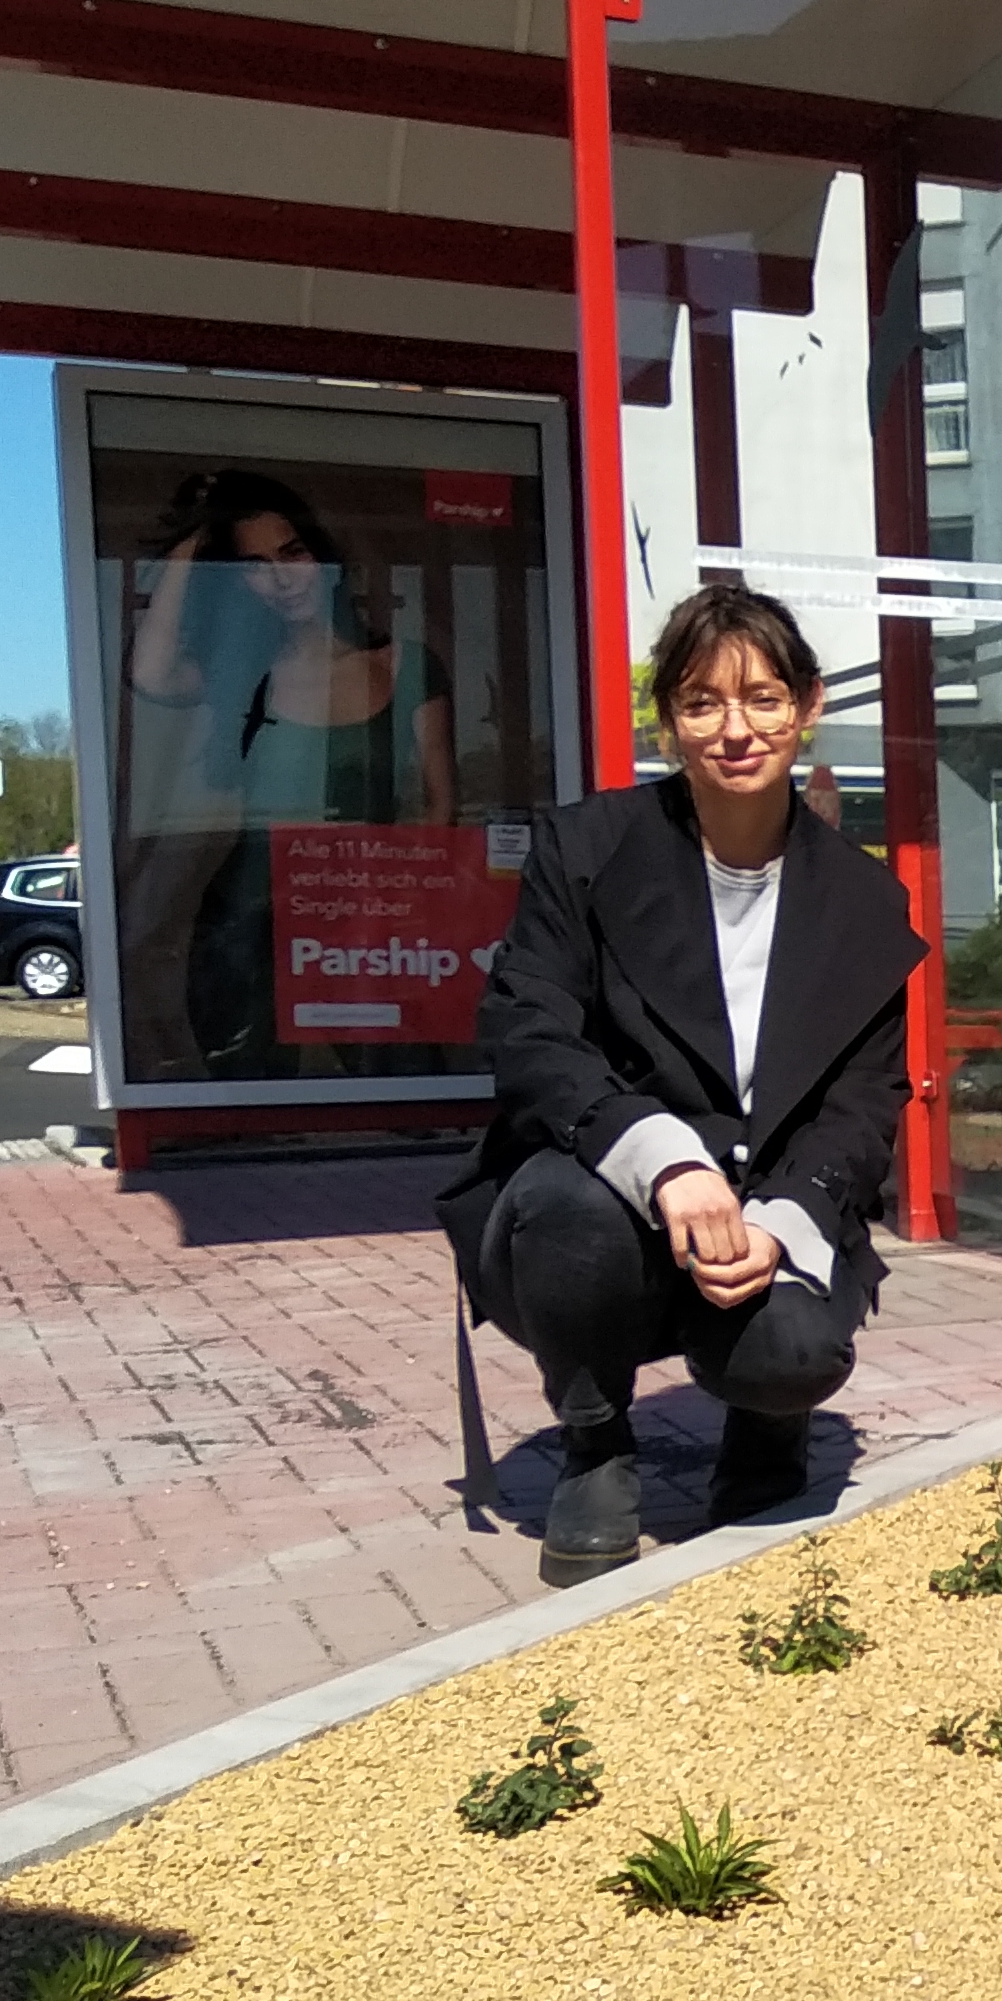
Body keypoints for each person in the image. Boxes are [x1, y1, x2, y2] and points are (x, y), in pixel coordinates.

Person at [437, 583, 925, 1586]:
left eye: (762, 698)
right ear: (667, 721)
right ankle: (596, 1442)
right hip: (610, 1186)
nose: (735, 730)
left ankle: (762, 1424)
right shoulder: (586, 849)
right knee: (566, 1216)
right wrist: (663, 1158)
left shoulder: (864, 898)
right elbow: (529, 1030)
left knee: (793, 1355)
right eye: (702, 702)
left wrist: (784, 1223)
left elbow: (863, 1103)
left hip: (767, 1199)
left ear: (808, 706)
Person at [118, 469, 458, 1074]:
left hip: (368, 926)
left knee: (402, 1092)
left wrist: (414, 916)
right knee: (254, 1094)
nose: (279, 578)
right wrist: (198, 542)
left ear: (322, 554)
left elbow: (440, 809)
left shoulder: (405, 666)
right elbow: (150, 673)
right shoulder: (245, 673)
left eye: (292, 552)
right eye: (251, 565)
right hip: (253, 921)